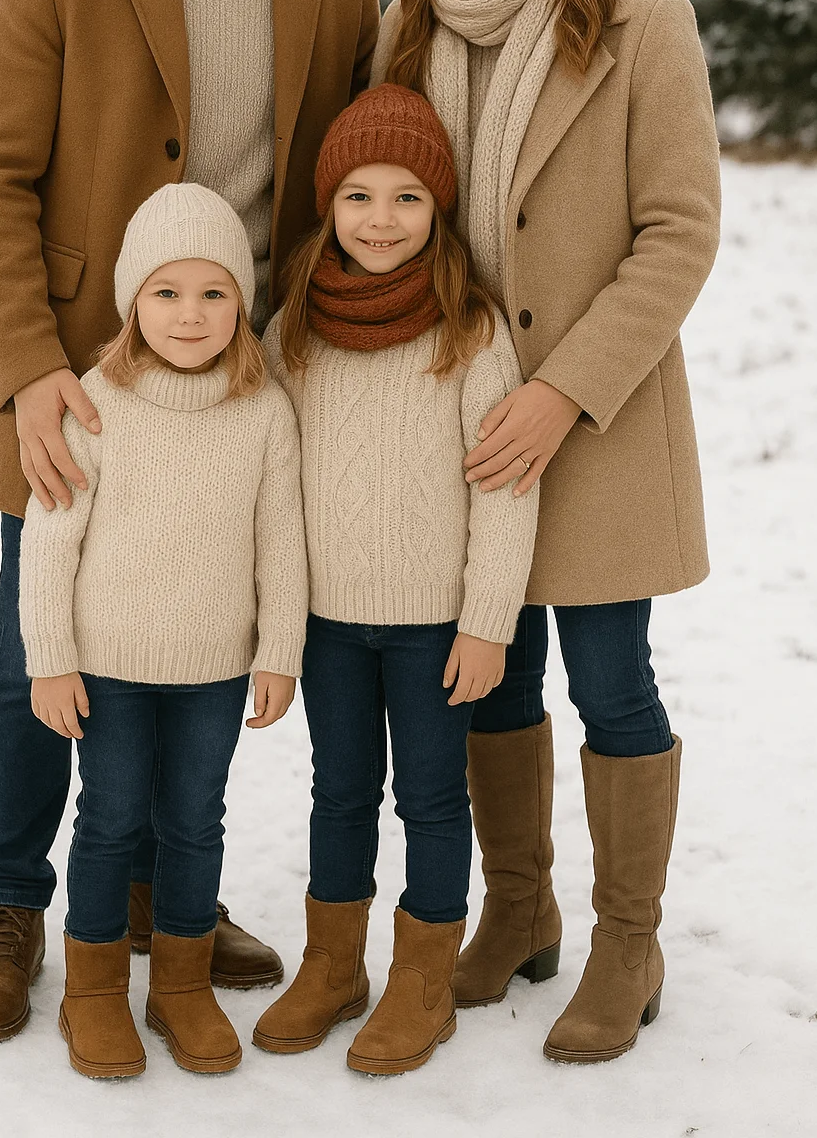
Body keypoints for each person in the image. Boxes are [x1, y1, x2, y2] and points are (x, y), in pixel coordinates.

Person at [0, 0, 379, 1044]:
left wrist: (294, 352)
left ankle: (150, 898)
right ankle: (11, 904)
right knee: (37, 642)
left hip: (234, 387)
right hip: (76, 372)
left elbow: (328, 192)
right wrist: (28, 368)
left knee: (191, 644)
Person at [372, 0, 721, 1064]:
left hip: (601, 421)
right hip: (459, 425)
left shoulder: (647, 18)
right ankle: (520, 905)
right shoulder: (410, 21)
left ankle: (630, 941)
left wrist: (564, 391)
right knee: (490, 667)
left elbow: (679, 231)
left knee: (610, 676)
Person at [252, 85, 538, 1075]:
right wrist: (274, 633)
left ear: (440, 210)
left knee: (428, 798)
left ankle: (423, 975)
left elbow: (506, 492)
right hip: (328, 626)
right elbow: (265, 488)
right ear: (327, 205)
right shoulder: (292, 329)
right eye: (360, 196)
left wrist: (487, 621)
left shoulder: (471, 330)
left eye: (408, 198)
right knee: (339, 793)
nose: (381, 220)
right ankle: (334, 965)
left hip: (433, 627)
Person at [20, 183, 307, 1079]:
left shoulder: (263, 411)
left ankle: (181, 985)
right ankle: (92, 988)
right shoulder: (96, 403)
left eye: (215, 293)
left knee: (195, 822)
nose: (191, 315)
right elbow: (49, 541)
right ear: (133, 301)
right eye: (167, 293)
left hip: (215, 670)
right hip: (106, 667)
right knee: (107, 821)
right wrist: (51, 662)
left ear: (243, 303)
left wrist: (279, 652)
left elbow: (281, 543)